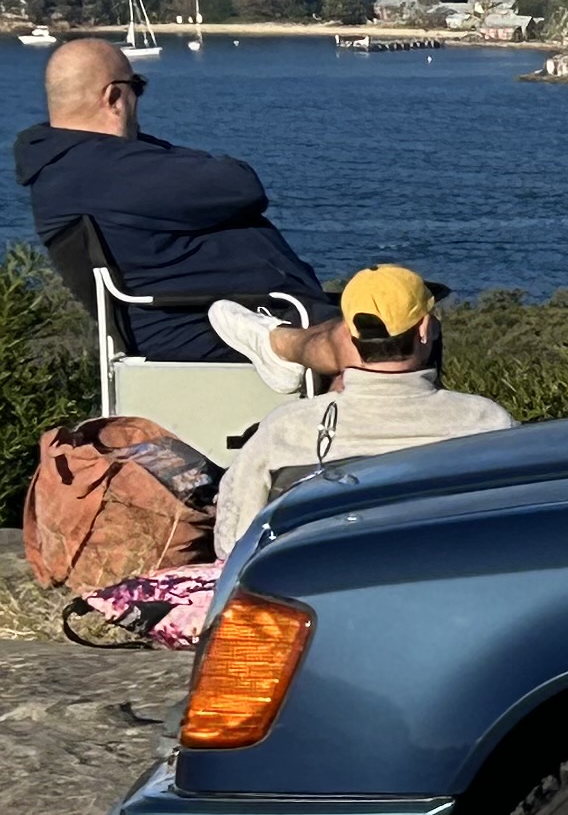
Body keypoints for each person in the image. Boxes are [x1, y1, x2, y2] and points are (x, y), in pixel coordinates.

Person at [14, 34, 332, 369]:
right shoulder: (111, 170)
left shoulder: (65, 168)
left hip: (225, 322)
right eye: (138, 86)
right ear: (114, 97)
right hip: (220, 333)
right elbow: (240, 184)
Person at [210, 265, 517, 553]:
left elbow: (233, 541)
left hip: (320, 589)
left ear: (347, 335)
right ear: (425, 329)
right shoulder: (487, 422)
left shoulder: (287, 428)